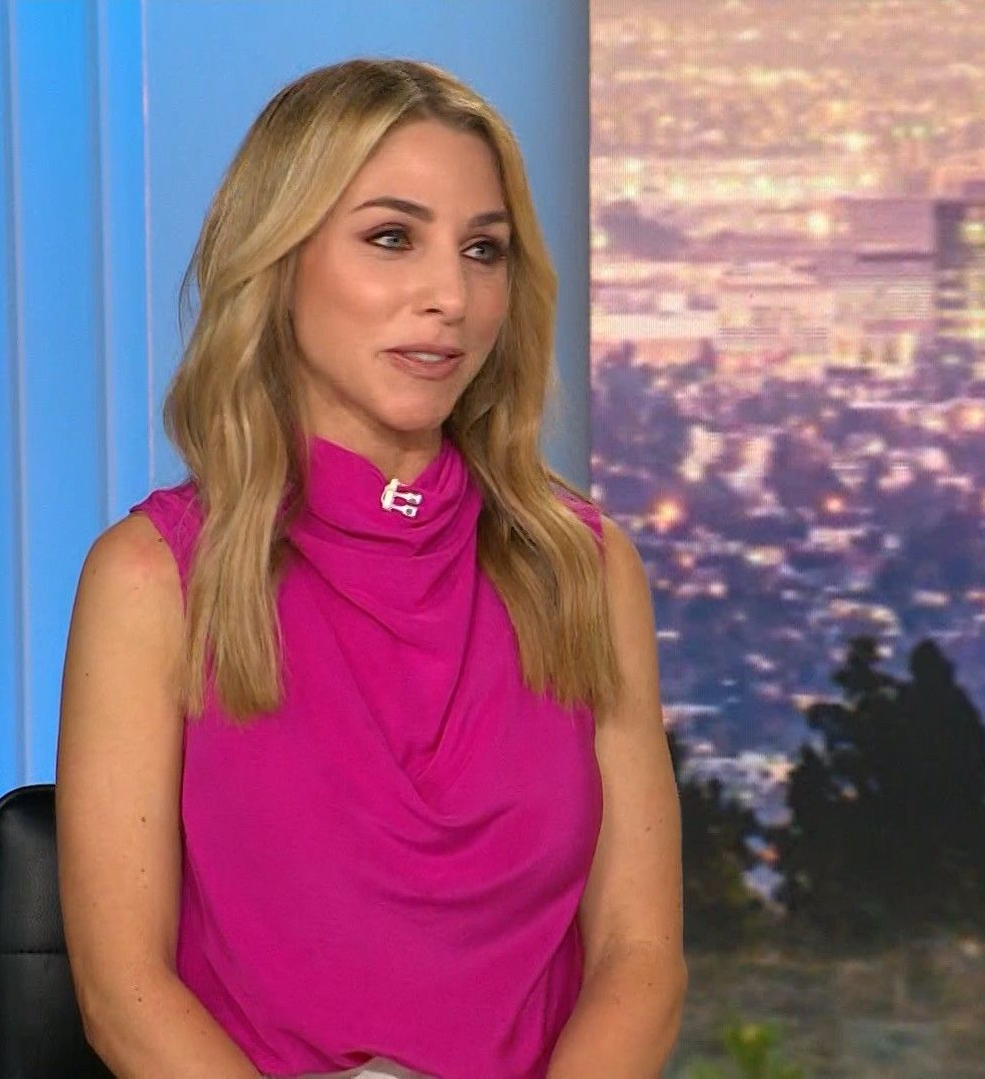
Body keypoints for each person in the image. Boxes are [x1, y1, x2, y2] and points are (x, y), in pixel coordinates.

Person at [54, 57, 685, 1079]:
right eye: (392, 238)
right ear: (280, 260)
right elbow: (123, 996)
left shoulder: (584, 567)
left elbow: (640, 959)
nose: (451, 296)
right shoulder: (152, 580)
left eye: (484, 250)